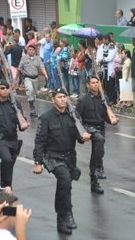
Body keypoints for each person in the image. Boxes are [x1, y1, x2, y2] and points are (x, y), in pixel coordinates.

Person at [33, 87, 91, 235]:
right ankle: (68, 213)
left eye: (64, 97)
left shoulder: (73, 115)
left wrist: (84, 138)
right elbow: (39, 141)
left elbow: (79, 136)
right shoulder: (46, 118)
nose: (63, 99)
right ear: (53, 99)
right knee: (64, 180)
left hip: (70, 156)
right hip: (53, 156)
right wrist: (38, 162)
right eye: (59, 97)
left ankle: (61, 220)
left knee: (65, 186)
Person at [76, 76, 117, 194]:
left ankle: (94, 182)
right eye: (93, 83)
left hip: (100, 127)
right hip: (89, 128)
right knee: (99, 139)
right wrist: (81, 133)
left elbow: (106, 115)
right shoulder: (84, 99)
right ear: (88, 85)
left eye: (97, 82)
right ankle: (99, 167)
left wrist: (113, 120)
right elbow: (77, 117)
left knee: (97, 154)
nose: (95, 84)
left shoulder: (104, 98)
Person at [17, 44, 48, 117]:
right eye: (29, 50)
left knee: (34, 94)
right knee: (30, 90)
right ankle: (32, 108)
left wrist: (45, 74)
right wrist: (16, 80)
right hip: (27, 78)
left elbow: (42, 67)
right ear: (27, 50)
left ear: (35, 51)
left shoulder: (38, 59)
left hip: (35, 79)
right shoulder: (24, 58)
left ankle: (31, 103)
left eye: (32, 50)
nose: (31, 51)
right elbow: (19, 69)